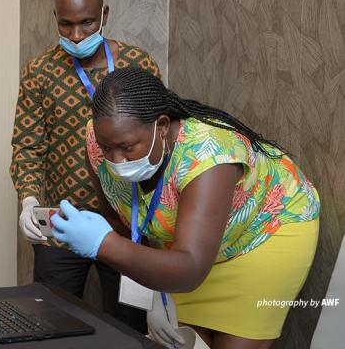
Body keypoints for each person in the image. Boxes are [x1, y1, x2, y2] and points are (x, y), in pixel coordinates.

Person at [52, 67, 320, 348]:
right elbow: (125, 226)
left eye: (127, 148)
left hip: (263, 233)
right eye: (108, 149)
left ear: (163, 125)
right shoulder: (99, 140)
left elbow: (190, 268)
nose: (116, 160)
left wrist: (103, 245)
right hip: (185, 253)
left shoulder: (209, 154)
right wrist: (73, 227)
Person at [10, 0, 160, 332]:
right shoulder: (39, 73)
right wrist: (29, 199)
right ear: (55, 18)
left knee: (129, 326)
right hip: (60, 224)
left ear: (104, 15)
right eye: (66, 24)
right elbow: (28, 145)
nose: (76, 36)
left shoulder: (139, 66)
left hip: (126, 225)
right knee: (48, 322)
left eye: (86, 23)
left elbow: (161, 140)